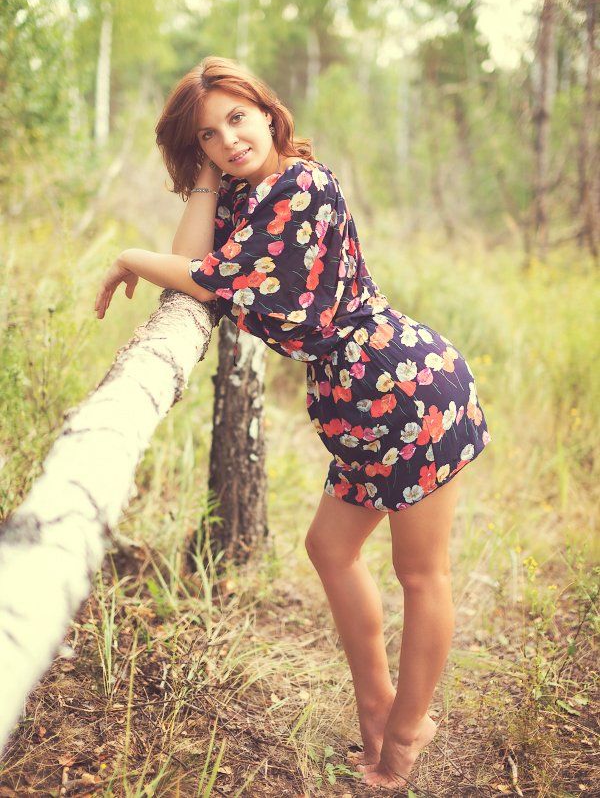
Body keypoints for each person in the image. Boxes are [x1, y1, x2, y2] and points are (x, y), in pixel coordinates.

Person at [94, 55, 492, 790]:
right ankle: (376, 705)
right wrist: (206, 177)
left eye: (237, 119)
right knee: (330, 548)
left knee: (420, 571)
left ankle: (407, 731)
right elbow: (192, 257)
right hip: (355, 400)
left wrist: (128, 256)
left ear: (269, 113)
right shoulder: (248, 194)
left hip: (408, 389)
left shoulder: (301, 186)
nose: (229, 140)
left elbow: (211, 279)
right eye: (208, 135)